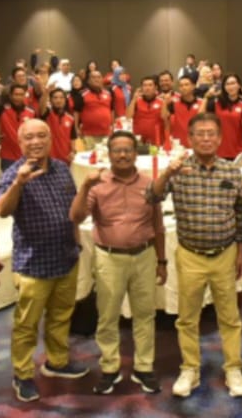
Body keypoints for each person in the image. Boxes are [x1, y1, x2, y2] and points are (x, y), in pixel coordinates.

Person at [148, 112, 242, 398]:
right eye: (199, 134)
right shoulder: (178, 170)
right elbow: (151, 197)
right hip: (190, 254)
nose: (206, 138)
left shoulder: (231, 171)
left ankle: (233, 368)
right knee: (187, 317)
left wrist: (240, 251)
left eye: (211, 134)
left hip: (225, 254)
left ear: (219, 138)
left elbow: (241, 212)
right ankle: (189, 368)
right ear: (190, 139)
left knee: (229, 317)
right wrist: (167, 172)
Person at [0, 120, 88, 402]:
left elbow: (72, 208)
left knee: (61, 316)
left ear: (50, 140)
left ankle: (57, 362)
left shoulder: (62, 169)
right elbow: (2, 210)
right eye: (29, 138)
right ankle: (22, 374)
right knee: (27, 324)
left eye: (41, 136)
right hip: (33, 264)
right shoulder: (14, 174)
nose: (36, 142)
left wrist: (76, 241)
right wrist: (18, 184)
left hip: (65, 256)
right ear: (20, 143)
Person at [70, 131, 166, 395]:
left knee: (145, 315)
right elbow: (76, 216)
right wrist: (85, 187)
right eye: (117, 150)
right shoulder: (97, 184)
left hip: (145, 256)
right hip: (109, 258)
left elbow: (158, 225)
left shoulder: (149, 184)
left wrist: (162, 260)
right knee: (108, 316)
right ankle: (110, 367)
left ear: (136, 153)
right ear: (109, 154)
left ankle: (144, 367)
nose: (123, 155)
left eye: (128, 150)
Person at [0, 83, 39, 172]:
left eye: (21, 94)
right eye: (16, 94)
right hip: (8, 157)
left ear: (25, 96)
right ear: (11, 96)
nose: (18, 97)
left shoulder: (31, 112)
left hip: (27, 156)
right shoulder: (2, 109)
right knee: (9, 184)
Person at [206, 74, 242, 162]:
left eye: (233, 83)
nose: (230, 86)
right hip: (217, 149)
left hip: (237, 150)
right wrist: (206, 97)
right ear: (224, 87)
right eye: (227, 84)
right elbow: (201, 116)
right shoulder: (216, 102)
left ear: (239, 85)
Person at [78, 70, 115, 150]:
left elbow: (111, 110)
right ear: (88, 80)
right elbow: (76, 113)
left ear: (102, 79)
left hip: (106, 134)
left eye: (98, 77)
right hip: (89, 135)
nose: (96, 79)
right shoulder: (82, 94)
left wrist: (112, 126)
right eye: (93, 77)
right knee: (90, 159)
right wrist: (77, 128)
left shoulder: (108, 93)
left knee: (105, 159)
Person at [163, 76, 204, 148]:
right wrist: (165, 102)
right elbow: (164, 116)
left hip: (197, 143)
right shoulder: (174, 103)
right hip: (178, 145)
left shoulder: (201, 103)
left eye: (186, 84)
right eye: (181, 85)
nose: (183, 87)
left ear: (193, 86)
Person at [41, 88, 76, 164]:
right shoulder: (47, 114)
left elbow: (72, 138)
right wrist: (46, 93)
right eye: (55, 98)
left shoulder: (70, 118)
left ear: (65, 100)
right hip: (49, 158)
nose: (58, 100)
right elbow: (41, 109)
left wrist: (73, 151)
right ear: (50, 100)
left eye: (61, 97)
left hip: (66, 158)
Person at [128, 75, 164, 146]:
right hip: (139, 141)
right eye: (144, 85)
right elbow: (128, 116)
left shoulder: (162, 102)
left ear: (155, 87)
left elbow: (165, 118)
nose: (147, 88)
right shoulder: (136, 101)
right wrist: (134, 99)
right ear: (141, 88)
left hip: (157, 140)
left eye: (150, 85)